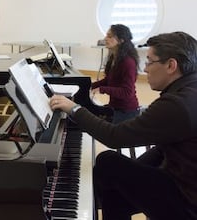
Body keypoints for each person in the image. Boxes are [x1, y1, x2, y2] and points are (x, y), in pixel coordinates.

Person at [50, 31, 197, 219]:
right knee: (116, 187)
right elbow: (165, 146)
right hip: (185, 181)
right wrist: (132, 171)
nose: (145, 69)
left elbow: (114, 137)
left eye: (150, 62)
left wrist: (75, 109)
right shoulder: (189, 89)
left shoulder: (178, 104)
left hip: (188, 203)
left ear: (170, 65)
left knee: (108, 162)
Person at [92, 24, 140, 123]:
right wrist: (90, 85)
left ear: (121, 40)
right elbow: (109, 80)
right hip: (115, 107)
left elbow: (127, 92)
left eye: (110, 36)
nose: (105, 38)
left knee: (97, 124)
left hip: (126, 111)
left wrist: (102, 89)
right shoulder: (114, 58)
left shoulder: (128, 62)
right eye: (106, 35)